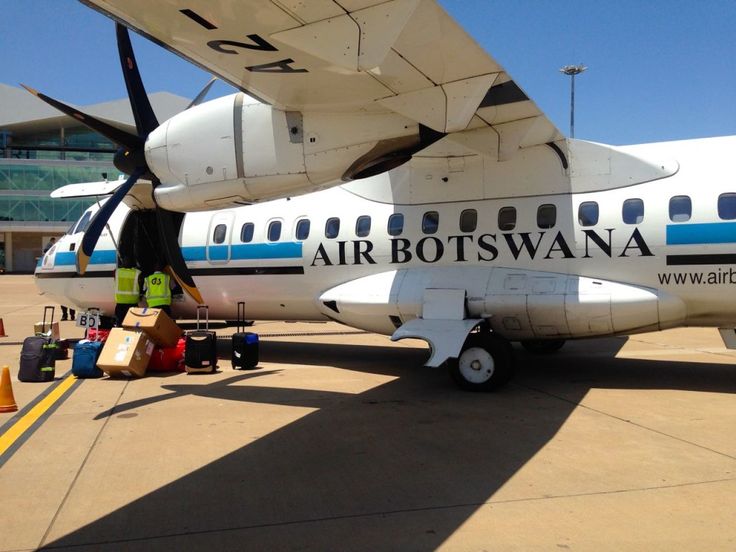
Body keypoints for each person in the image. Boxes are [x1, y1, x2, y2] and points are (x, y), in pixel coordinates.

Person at [114, 257, 143, 326]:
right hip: (133, 302)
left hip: (120, 302)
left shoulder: (117, 272)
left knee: (120, 323)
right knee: (133, 324)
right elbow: (141, 285)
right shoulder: (137, 273)